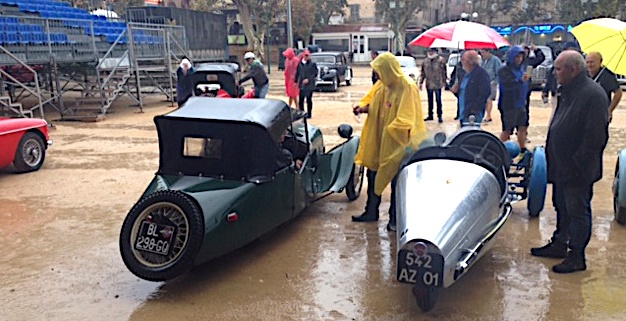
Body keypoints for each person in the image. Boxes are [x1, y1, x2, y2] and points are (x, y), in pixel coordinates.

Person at [530, 50, 609, 274]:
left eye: (558, 69)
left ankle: (577, 256)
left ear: (573, 70)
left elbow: (595, 138)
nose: (554, 73)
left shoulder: (593, 94)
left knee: (577, 212)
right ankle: (559, 243)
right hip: (561, 165)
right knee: (561, 207)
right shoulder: (569, 90)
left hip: (577, 170)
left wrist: (577, 164)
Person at [350, 52, 427, 231]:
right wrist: (363, 108)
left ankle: (395, 219)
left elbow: (408, 116)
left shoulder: (407, 86)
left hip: (398, 143)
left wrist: (393, 130)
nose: (377, 75)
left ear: (388, 69)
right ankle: (371, 212)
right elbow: (376, 105)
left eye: (379, 71)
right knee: (373, 173)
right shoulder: (382, 85)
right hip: (379, 139)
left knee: (396, 181)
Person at [498, 46, 530, 154]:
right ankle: (501, 151)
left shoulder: (521, 69)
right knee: (507, 130)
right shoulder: (504, 70)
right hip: (509, 105)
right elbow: (506, 84)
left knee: (523, 127)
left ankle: (522, 149)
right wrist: (520, 81)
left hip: (521, 104)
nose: (519, 59)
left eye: (521, 57)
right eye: (517, 57)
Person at [585, 51, 623, 123]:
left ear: (600, 62)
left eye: (592, 62)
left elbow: (618, 92)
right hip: (585, 112)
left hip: (601, 113)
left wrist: (610, 110)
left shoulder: (607, 75)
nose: (589, 65)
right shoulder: (583, 73)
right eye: (587, 62)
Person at [456, 50, 491, 126]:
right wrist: (455, 90)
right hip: (463, 111)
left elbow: (485, 92)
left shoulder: (481, 74)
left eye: (463, 60)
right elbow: (463, 92)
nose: (462, 62)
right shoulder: (465, 74)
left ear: (470, 61)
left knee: (471, 136)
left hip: (473, 113)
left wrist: (475, 108)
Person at [419, 48, 447, 123]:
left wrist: (444, 82)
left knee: (438, 100)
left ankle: (440, 116)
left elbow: (444, 72)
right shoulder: (425, 61)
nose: (430, 53)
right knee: (430, 100)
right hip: (429, 84)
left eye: (432, 51)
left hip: (438, 84)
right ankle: (430, 115)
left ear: (436, 52)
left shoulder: (441, 60)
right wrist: (421, 83)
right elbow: (423, 73)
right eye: (429, 51)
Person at [521, 44, 546, 119]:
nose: (525, 51)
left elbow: (541, 58)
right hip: (516, 88)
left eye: (527, 50)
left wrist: (536, 50)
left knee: (525, 109)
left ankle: (523, 127)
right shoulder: (514, 60)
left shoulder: (530, 61)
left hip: (526, 87)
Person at [479, 49, 503, 123]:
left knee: (489, 99)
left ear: (488, 52)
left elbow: (500, 72)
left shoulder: (495, 60)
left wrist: (495, 82)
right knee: (484, 100)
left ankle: (488, 116)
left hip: (491, 83)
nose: (482, 55)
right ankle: (484, 115)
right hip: (483, 83)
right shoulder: (483, 61)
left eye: (483, 52)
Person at [295, 50, 317, 118]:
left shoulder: (313, 64)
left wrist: (309, 79)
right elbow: (297, 73)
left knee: (309, 99)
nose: (307, 57)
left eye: (308, 55)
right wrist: (295, 82)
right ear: (303, 56)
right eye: (306, 55)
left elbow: (315, 73)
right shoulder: (300, 64)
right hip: (302, 85)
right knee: (301, 100)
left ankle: (309, 114)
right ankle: (302, 113)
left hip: (310, 85)